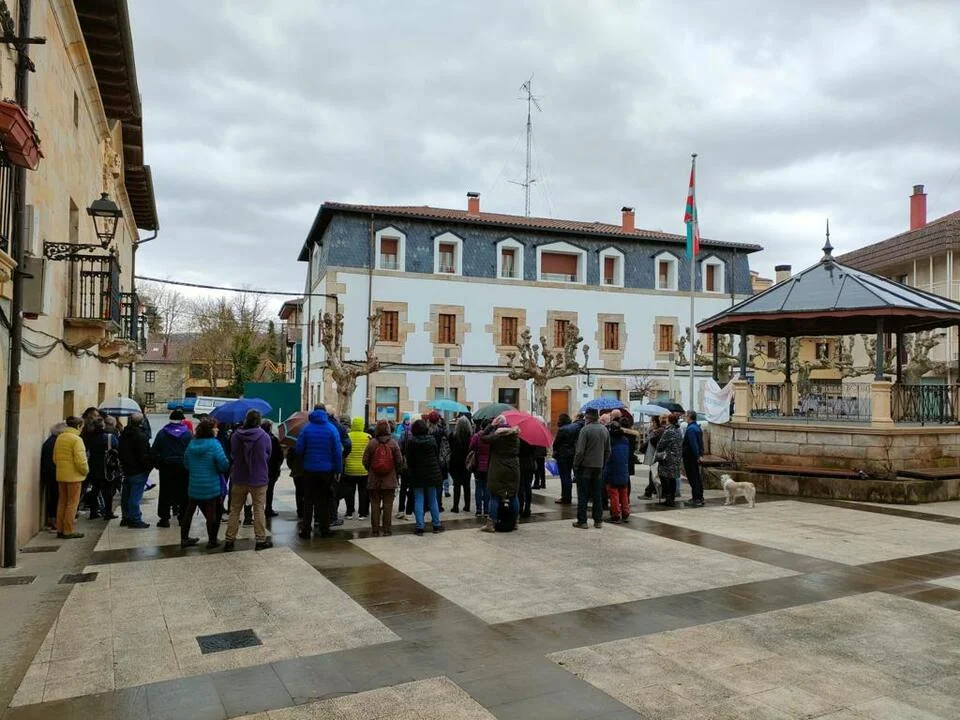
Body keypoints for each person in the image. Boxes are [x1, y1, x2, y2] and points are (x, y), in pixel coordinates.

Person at [225, 409, 274, 551]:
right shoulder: (264, 436)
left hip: (239, 476)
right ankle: (260, 540)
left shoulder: (236, 436)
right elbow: (268, 454)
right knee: (258, 508)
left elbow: (232, 453)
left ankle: (229, 539)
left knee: (235, 509)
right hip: (258, 477)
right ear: (259, 421)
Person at [295, 405, 343, 539]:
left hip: (309, 469)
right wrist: (338, 470)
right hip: (327, 470)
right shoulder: (332, 429)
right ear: (325, 413)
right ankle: (325, 528)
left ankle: (305, 529)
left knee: (308, 500)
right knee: (325, 500)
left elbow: (299, 449)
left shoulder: (306, 429)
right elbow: (337, 452)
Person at [182, 418, 230, 549]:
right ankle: (212, 540)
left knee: (189, 511)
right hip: (211, 484)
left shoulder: (192, 443)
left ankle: (184, 538)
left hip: (194, 484)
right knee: (211, 513)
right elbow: (224, 464)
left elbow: (186, 462)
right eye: (215, 427)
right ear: (210, 430)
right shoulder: (214, 444)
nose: (217, 429)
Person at [151, 410, 193, 527]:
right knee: (184, 492)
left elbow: (154, 451)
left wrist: (158, 464)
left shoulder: (162, 433)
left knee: (165, 492)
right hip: (183, 467)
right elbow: (192, 451)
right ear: (182, 420)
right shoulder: (188, 434)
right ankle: (183, 518)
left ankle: (164, 518)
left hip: (166, 467)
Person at [479, 416, 520, 532]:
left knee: (495, 495)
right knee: (513, 495)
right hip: (513, 468)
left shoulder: (497, 436)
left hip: (498, 468)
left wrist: (491, 425)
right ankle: (515, 522)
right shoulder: (516, 437)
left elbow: (482, 437)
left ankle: (491, 523)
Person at [362, 420, 403, 536]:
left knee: (374, 505)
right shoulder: (393, 443)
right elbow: (399, 461)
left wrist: (370, 470)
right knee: (388, 505)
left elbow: (364, 460)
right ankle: (387, 530)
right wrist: (396, 473)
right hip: (390, 480)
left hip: (374, 480)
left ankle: (375, 530)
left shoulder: (372, 443)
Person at [404, 419, 445, 535]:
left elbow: (409, 459)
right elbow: (436, 455)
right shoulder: (431, 440)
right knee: (433, 499)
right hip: (432, 473)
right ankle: (436, 525)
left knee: (418, 499)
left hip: (417, 474)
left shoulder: (411, 442)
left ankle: (420, 527)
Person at [572, 407, 611, 529]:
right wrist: (603, 462)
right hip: (598, 466)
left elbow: (579, 451)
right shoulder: (604, 430)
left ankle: (582, 521)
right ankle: (598, 520)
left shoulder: (585, 430)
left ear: (588, 417)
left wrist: (576, 464)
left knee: (583, 494)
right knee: (597, 494)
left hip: (585, 466)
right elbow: (608, 450)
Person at [53, 416, 88, 539]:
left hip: (61, 474)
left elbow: (55, 458)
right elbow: (80, 460)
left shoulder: (60, 437)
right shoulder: (77, 439)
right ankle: (68, 530)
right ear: (78, 426)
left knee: (62, 502)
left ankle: (60, 528)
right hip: (74, 476)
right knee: (72, 503)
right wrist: (85, 471)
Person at [118, 413, 153, 528]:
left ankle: (126, 517)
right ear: (142, 422)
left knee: (126, 495)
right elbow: (144, 455)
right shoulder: (141, 436)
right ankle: (135, 519)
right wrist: (148, 467)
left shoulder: (124, 434)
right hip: (138, 470)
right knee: (135, 496)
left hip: (127, 468)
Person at [83, 418, 117, 520]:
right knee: (108, 491)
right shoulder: (109, 437)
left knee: (95, 490)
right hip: (106, 467)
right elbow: (117, 447)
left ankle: (93, 512)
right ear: (103, 426)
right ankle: (108, 512)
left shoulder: (89, 438)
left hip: (93, 466)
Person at [343, 417, 372, 520]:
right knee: (363, 492)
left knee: (349, 492)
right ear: (362, 425)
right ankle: (362, 513)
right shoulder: (368, 437)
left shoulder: (348, 436)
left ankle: (349, 512)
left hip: (349, 469)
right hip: (363, 470)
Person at [41, 423, 67, 531]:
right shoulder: (54, 442)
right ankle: (53, 520)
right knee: (55, 497)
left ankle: (53, 519)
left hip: (51, 473)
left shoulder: (51, 441)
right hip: (53, 474)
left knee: (54, 497)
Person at [604, 421, 631, 522]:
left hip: (612, 469)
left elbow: (606, 456)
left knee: (613, 492)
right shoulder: (625, 440)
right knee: (623, 491)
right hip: (624, 468)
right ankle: (625, 512)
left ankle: (615, 514)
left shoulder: (609, 441)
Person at [552, 413, 581, 505]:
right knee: (569, 476)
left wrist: (555, 451)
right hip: (572, 454)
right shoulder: (575, 427)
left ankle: (566, 497)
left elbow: (556, 443)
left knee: (565, 476)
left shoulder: (562, 429)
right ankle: (568, 497)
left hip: (563, 455)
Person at [656, 414, 683, 507]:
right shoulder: (678, 430)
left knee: (664, 477)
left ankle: (668, 498)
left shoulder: (668, 431)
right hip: (677, 457)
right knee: (673, 478)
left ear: (669, 420)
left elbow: (660, 445)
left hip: (668, 458)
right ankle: (672, 497)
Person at [448, 416, 472, 513]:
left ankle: (455, 506)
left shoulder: (452, 436)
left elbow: (450, 448)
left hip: (455, 462)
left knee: (456, 485)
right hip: (467, 463)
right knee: (467, 485)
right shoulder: (470, 436)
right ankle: (467, 506)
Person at [469, 421, 492, 518]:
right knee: (487, 488)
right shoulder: (491, 438)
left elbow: (471, 447)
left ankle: (478, 510)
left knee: (478, 487)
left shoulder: (476, 436)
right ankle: (486, 510)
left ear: (482, 426)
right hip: (489, 466)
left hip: (478, 465)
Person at [682, 410, 705, 508]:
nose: (684, 417)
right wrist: (700, 454)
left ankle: (696, 498)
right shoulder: (697, 427)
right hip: (694, 456)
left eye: (686, 416)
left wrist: (697, 456)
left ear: (689, 417)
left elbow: (693, 444)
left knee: (693, 478)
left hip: (690, 457)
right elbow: (701, 443)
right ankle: (699, 497)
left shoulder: (691, 429)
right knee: (697, 477)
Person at [262, 420, 283, 518]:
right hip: (272, 469)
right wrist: (278, 466)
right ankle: (268, 508)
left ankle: (260, 508)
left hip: (262, 468)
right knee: (270, 490)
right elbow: (280, 455)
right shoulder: (274, 439)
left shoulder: (259, 438)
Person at [641, 416, 664, 499]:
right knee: (654, 474)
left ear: (656, 422)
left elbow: (653, 442)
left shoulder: (659, 431)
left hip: (655, 456)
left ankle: (649, 492)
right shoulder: (656, 430)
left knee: (653, 474)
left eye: (653, 422)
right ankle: (653, 491)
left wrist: (651, 433)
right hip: (655, 455)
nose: (652, 423)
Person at [517, 438, 536, 518]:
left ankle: (520, 508)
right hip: (530, 464)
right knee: (528, 486)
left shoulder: (519, 440)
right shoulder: (532, 440)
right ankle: (527, 508)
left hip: (521, 464)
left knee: (520, 487)